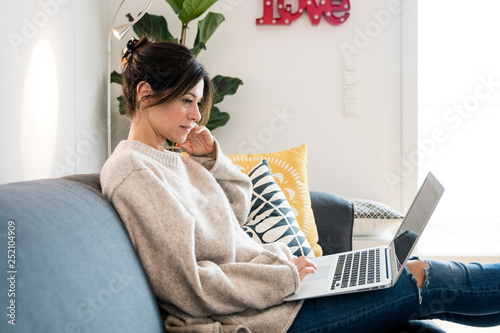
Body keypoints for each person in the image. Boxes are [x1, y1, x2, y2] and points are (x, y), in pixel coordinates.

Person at [101, 36, 500, 333]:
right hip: (263, 319)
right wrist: (285, 274)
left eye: (197, 102)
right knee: (421, 278)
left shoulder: (172, 159)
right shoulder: (134, 173)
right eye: (186, 101)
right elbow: (189, 286)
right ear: (145, 93)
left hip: (280, 297)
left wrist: (212, 161)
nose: (195, 116)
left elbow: (235, 212)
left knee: (419, 325)